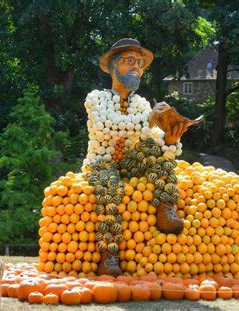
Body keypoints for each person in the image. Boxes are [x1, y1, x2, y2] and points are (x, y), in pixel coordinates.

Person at [83, 38, 187, 276]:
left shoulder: (140, 104)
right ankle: (109, 256)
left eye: (140, 63)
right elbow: (104, 128)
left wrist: (170, 139)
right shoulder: (95, 98)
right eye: (130, 61)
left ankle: (165, 209)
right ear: (112, 66)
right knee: (109, 186)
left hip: (130, 164)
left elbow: (148, 137)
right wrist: (148, 120)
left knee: (155, 150)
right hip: (102, 163)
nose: (137, 67)